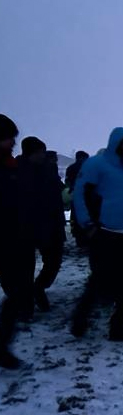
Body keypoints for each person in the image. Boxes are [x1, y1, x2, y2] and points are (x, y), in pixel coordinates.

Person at [71, 127, 123, 341]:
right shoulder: (97, 165)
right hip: (105, 233)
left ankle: (119, 325)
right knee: (100, 280)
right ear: (117, 143)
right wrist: (88, 225)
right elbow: (81, 194)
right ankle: (81, 317)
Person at [18, 137, 66, 314]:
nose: (42, 155)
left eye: (43, 152)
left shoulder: (48, 168)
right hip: (28, 226)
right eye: (38, 152)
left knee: (54, 261)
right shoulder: (17, 171)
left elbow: (57, 193)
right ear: (28, 153)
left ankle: (38, 287)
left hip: (52, 223)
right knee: (25, 267)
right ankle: (26, 301)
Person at [0, 114, 25, 369]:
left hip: (10, 239)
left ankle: (2, 345)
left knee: (16, 292)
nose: (11, 143)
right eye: (8, 138)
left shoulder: (11, 167)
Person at [66, 150, 90, 247]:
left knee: (75, 217)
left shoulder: (70, 168)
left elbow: (67, 181)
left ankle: (78, 237)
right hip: (86, 196)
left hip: (75, 195)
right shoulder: (87, 167)